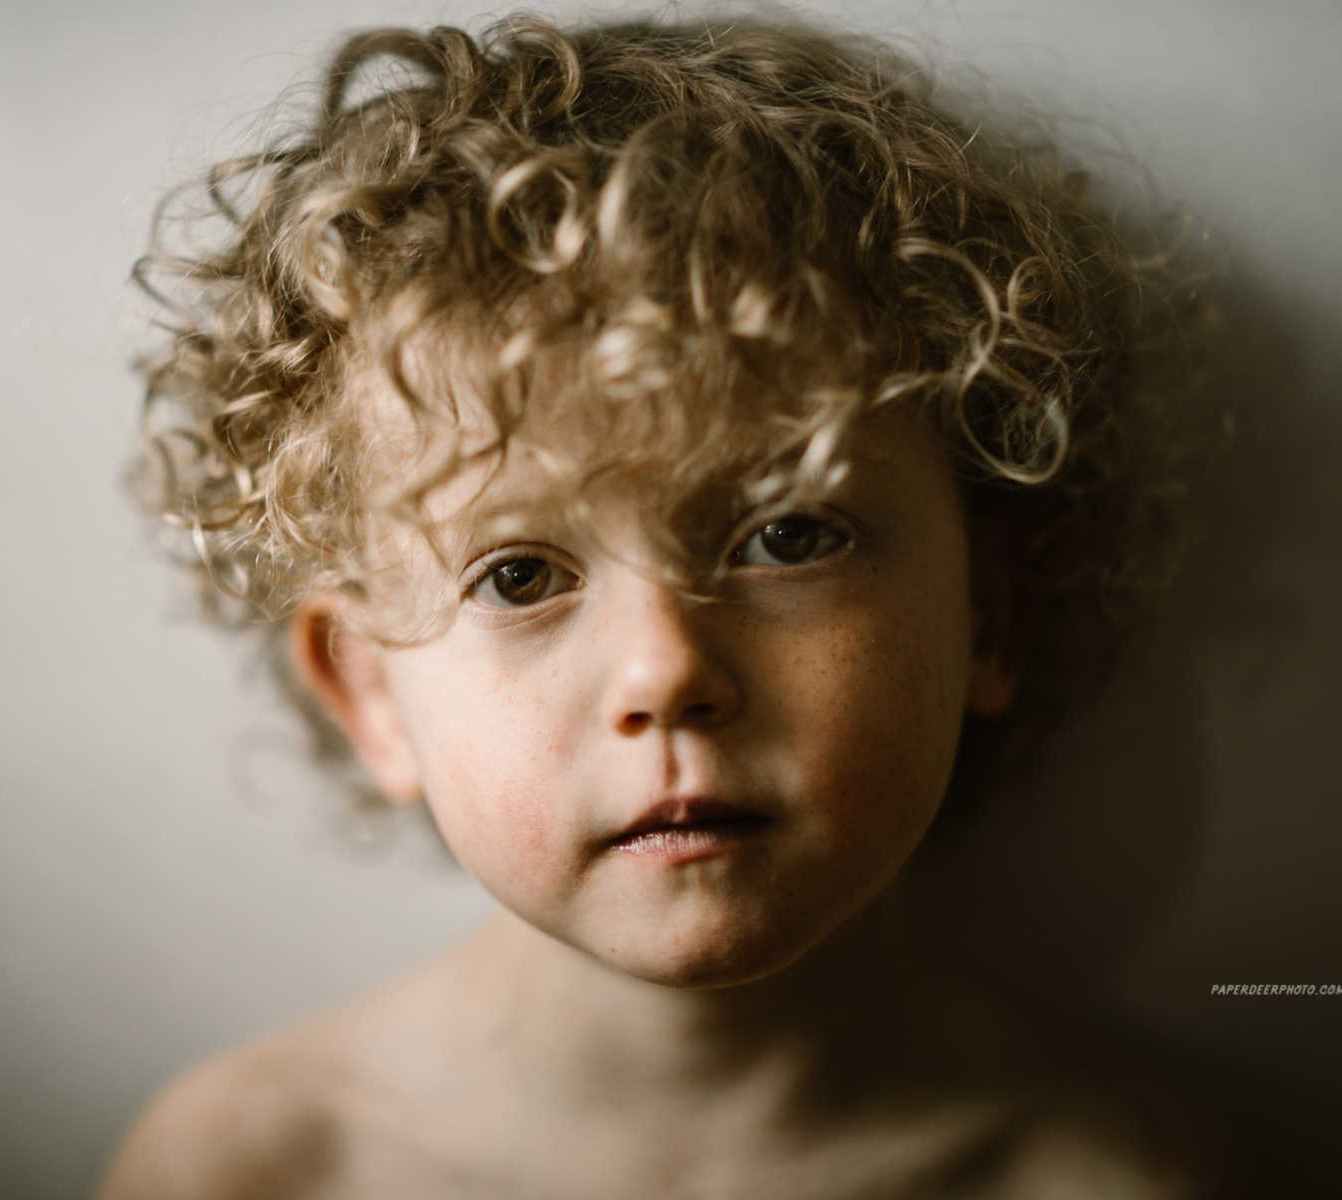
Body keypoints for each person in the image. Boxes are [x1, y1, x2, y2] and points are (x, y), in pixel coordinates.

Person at [100, 15, 1227, 1197]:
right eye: (520, 575)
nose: (665, 672)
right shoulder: (248, 1170)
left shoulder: (1109, 1177)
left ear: (989, 617)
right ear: (371, 689)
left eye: (787, 537)